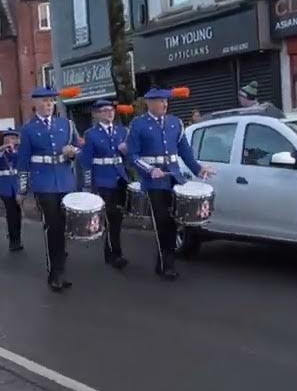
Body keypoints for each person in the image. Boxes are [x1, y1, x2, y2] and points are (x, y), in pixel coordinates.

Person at [125, 87, 215, 280]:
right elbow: (132, 155)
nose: (164, 104)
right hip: (153, 180)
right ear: (149, 103)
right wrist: (150, 170)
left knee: (174, 221)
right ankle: (167, 264)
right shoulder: (139, 124)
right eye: (160, 101)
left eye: (166, 101)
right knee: (162, 221)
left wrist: (198, 169)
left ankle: (165, 260)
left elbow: (185, 151)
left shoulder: (175, 123)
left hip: (173, 177)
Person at [16, 86, 81, 292]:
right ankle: (55, 273)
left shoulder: (66, 125)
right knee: (52, 226)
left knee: (63, 227)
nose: (48, 105)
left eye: (51, 101)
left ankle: (60, 267)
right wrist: (22, 190)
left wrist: (73, 152)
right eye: (44, 102)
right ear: (35, 104)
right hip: (43, 182)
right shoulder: (28, 130)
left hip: (64, 180)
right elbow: (23, 162)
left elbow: (78, 148)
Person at [80, 100, 130, 270]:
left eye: (112, 110)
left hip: (119, 177)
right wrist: (88, 186)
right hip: (102, 180)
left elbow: (129, 157)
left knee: (118, 218)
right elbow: (86, 162)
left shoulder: (122, 131)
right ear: (97, 114)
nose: (110, 113)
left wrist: (127, 152)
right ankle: (115, 254)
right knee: (110, 217)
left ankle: (111, 252)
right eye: (105, 110)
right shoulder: (91, 134)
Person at [0, 129, 23, 251]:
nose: (9, 141)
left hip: (17, 184)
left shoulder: (19, 151)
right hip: (5, 187)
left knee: (17, 214)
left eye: (12, 138)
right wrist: (0, 153)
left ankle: (16, 235)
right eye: (7, 139)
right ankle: (14, 241)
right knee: (11, 213)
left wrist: (13, 151)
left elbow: (21, 163)